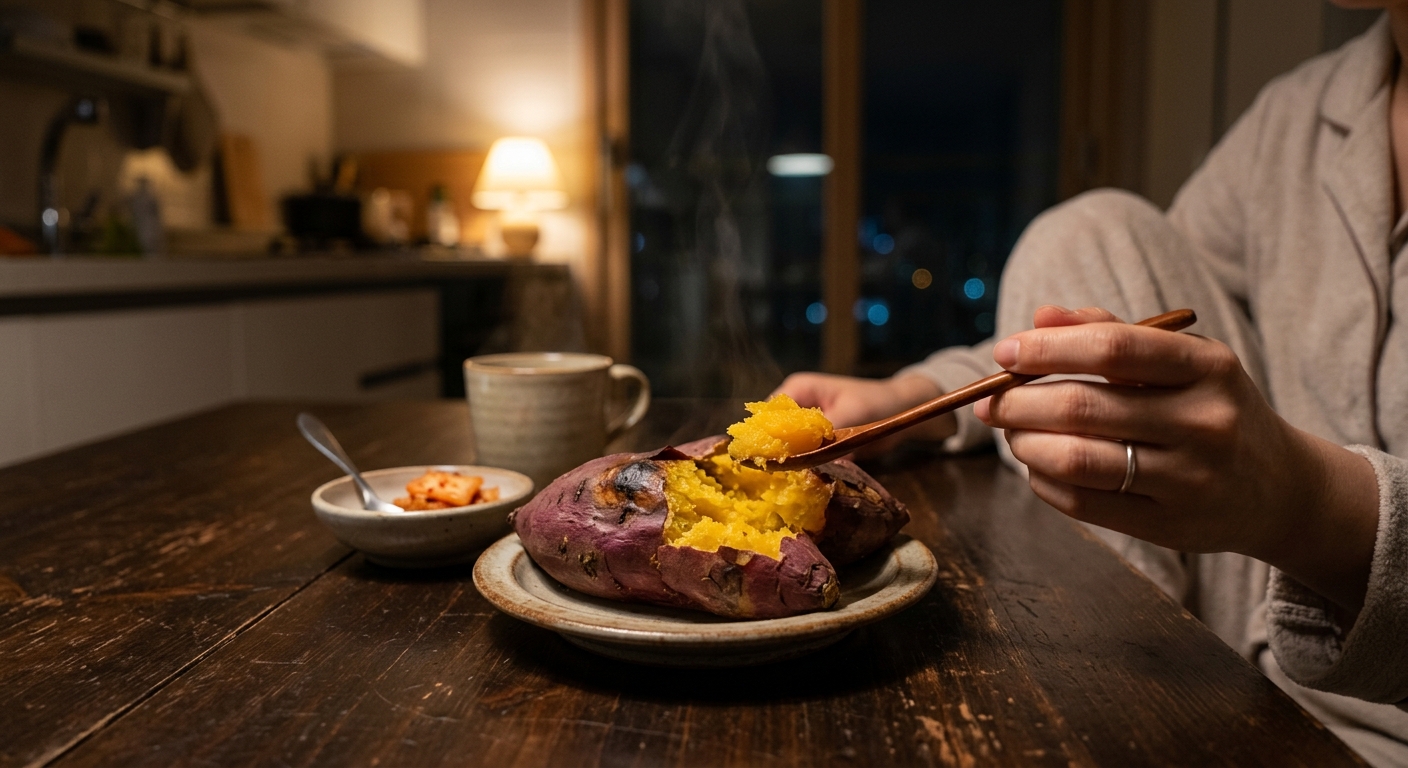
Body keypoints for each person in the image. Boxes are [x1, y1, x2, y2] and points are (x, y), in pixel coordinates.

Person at [778, 5, 1408, 764]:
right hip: (1236, 648)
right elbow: (1130, 322)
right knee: (1088, 233)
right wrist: (914, 400)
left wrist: (1308, 506)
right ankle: (1121, 717)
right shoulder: (1304, 111)